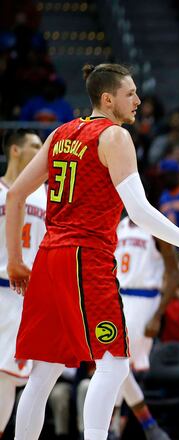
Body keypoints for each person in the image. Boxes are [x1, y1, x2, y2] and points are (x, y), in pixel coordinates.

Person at [6, 63, 179, 440]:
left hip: (48, 256)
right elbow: (140, 212)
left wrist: (16, 260)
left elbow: (15, 193)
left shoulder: (60, 133)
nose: (138, 101)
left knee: (43, 372)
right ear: (108, 99)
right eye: (130, 94)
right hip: (86, 256)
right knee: (113, 363)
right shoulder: (114, 136)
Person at [112, 216, 179, 439]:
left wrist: (158, 316)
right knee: (115, 367)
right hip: (117, 298)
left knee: (115, 364)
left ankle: (123, 426)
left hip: (143, 302)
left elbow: (174, 274)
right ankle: (146, 425)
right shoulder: (119, 225)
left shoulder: (155, 223)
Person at [0, 129, 45, 438]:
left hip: (21, 295)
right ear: (15, 150)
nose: (42, 152)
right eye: (35, 146)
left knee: (6, 375)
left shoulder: (47, 195)